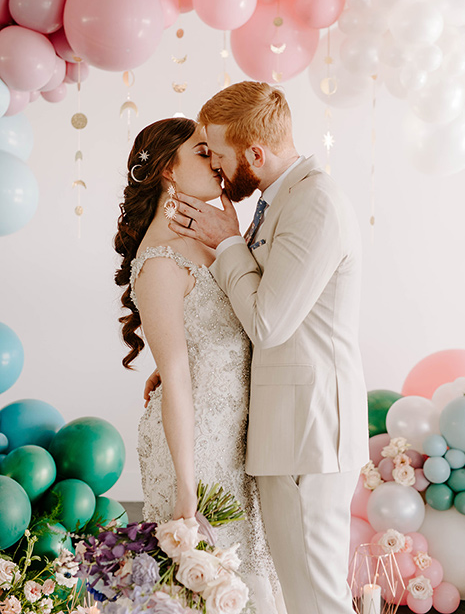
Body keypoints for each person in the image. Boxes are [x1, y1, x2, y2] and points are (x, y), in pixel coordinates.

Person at [158, 81, 370, 614]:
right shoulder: (282, 199)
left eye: (220, 155)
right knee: (302, 594)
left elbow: (270, 322)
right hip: (292, 428)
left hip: (309, 431)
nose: (217, 168)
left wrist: (226, 241)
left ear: (255, 153)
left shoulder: (314, 202)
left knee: (317, 600)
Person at [114, 117, 280, 613]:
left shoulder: (216, 241)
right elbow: (181, 378)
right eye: (202, 153)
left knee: (255, 572)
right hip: (197, 447)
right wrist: (188, 488)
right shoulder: (160, 260)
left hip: (242, 436)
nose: (217, 162)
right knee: (212, 584)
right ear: (168, 168)